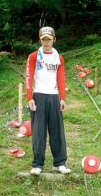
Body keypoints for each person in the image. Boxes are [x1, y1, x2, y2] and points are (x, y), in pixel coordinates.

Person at [25, 26, 71, 175]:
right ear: (40, 40)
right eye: (43, 39)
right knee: (38, 131)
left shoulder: (59, 58)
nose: (46, 42)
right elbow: (28, 77)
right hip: (38, 96)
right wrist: (29, 97)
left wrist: (62, 98)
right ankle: (38, 164)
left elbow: (61, 78)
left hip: (54, 96)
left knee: (57, 130)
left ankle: (60, 163)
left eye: (49, 39)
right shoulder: (33, 56)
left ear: (54, 39)